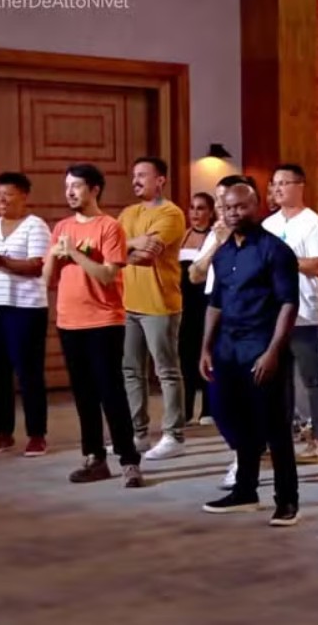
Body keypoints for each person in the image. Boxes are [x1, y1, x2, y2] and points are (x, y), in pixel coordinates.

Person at [199, 183, 301, 526]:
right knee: (235, 420)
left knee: (275, 427)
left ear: (256, 206)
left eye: (240, 207)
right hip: (227, 349)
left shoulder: (276, 251)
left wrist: (273, 351)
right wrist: (206, 347)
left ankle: (287, 501)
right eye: (227, 208)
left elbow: (288, 304)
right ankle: (245, 491)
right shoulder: (223, 253)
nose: (233, 213)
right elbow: (215, 303)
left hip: (262, 347)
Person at [44, 163, 144, 488]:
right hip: (69, 321)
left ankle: (129, 461)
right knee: (83, 394)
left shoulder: (109, 227)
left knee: (110, 392)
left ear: (94, 189)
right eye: (67, 187)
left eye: (76, 186)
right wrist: (54, 255)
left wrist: (73, 252)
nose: (70, 192)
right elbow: (47, 279)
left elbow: (107, 275)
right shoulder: (61, 227)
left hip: (103, 321)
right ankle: (94, 458)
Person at [0, 172, 52, 457]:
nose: (1, 200)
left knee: (29, 372)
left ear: (23, 196)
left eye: (7, 194)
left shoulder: (35, 225)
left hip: (26, 308)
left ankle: (37, 435)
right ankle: (3, 432)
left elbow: (35, 266)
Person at [262, 164, 318, 464]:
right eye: (274, 183)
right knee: (278, 381)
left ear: (300, 186)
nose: (277, 188)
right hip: (272, 313)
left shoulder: (314, 224)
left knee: (311, 378)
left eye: (284, 183)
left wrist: (283, 259)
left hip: (305, 314)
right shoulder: (268, 224)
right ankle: (282, 434)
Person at [118, 157, 188, 460]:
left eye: (142, 175)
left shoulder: (171, 213)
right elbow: (113, 249)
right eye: (134, 175)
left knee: (166, 371)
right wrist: (133, 243)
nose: (135, 181)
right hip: (128, 302)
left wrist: (125, 247)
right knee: (131, 371)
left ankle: (174, 435)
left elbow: (147, 254)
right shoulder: (128, 213)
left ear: (160, 180)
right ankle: (138, 434)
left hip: (160, 304)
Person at [189, 175, 252, 490]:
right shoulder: (217, 238)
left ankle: (246, 460)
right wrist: (217, 243)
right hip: (217, 315)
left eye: (228, 202)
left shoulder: (257, 241)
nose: (223, 209)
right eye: (219, 203)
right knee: (220, 398)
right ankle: (245, 449)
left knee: (245, 398)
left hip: (247, 323)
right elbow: (195, 274)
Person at [179, 192, 216, 425]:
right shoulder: (182, 237)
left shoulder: (214, 238)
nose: (195, 213)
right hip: (183, 304)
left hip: (206, 302)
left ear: (210, 212)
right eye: (192, 207)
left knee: (207, 351)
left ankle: (208, 408)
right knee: (185, 355)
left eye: (200, 208)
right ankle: (186, 407)